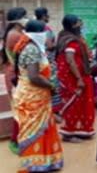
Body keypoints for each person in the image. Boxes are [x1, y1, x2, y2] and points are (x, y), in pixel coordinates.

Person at [13, 20, 63, 173]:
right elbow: (34, 77)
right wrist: (51, 85)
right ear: (38, 34)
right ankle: (33, 164)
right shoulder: (32, 50)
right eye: (44, 32)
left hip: (38, 95)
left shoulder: (33, 47)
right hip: (33, 97)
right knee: (33, 129)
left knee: (43, 127)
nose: (46, 35)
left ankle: (45, 161)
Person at [56, 14, 95, 143]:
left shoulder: (69, 37)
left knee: (81, 103)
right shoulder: (70, 40)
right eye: (79, 23)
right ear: (73, 25)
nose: (81, 25)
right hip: (73, 78)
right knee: (73, 103)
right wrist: (78, 78)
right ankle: (68, 133)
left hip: (79, 75)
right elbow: (70, 60)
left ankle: (82, 130)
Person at [2, 7, 28, 154]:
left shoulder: (13, 33)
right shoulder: (16, 36)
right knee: (20, 108)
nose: (27, 18)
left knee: (19, 108)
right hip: (15, 75)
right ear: (18, 19)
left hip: (12, 72)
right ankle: (17, 140)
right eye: (25, 16)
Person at [35, 7, 62, 113]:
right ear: (43, 16)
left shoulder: (34, 27)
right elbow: (49, 45)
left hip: (37, 59)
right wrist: (58, 44)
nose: (48, 17)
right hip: (48, 60)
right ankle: (53, 109)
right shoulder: (46, 28)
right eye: (47, 15)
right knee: (52, 81)